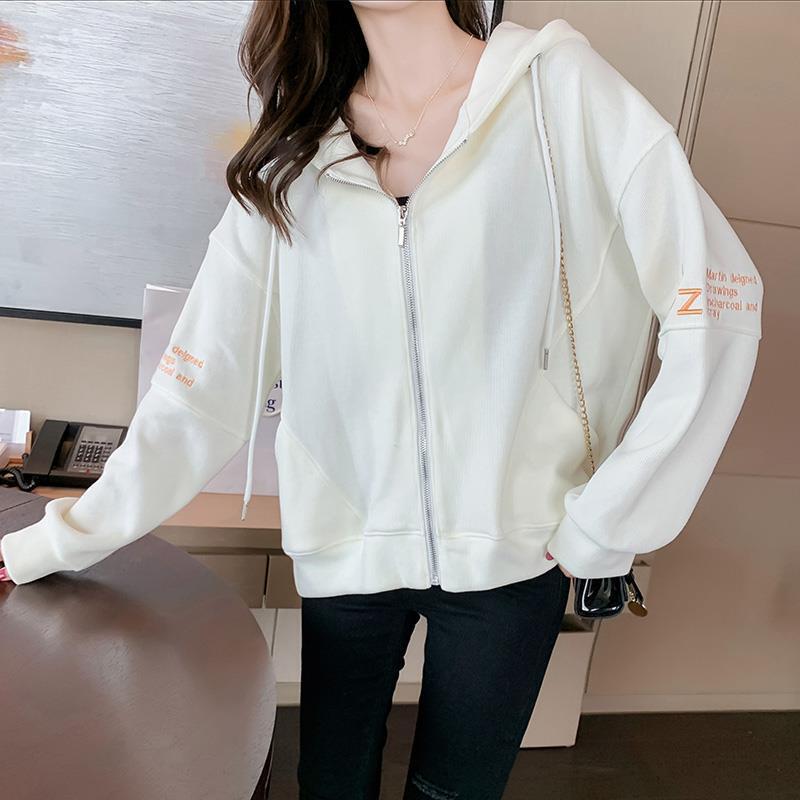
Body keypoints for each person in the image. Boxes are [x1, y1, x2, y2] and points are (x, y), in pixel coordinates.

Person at [0, 2, 764, 798]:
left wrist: (609, 520)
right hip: (347, 548)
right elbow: (199, 391)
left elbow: (722, 307)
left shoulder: (561, 90)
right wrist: (51, 545)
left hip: (516, 550)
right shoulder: (295, 147)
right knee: (330, 786)